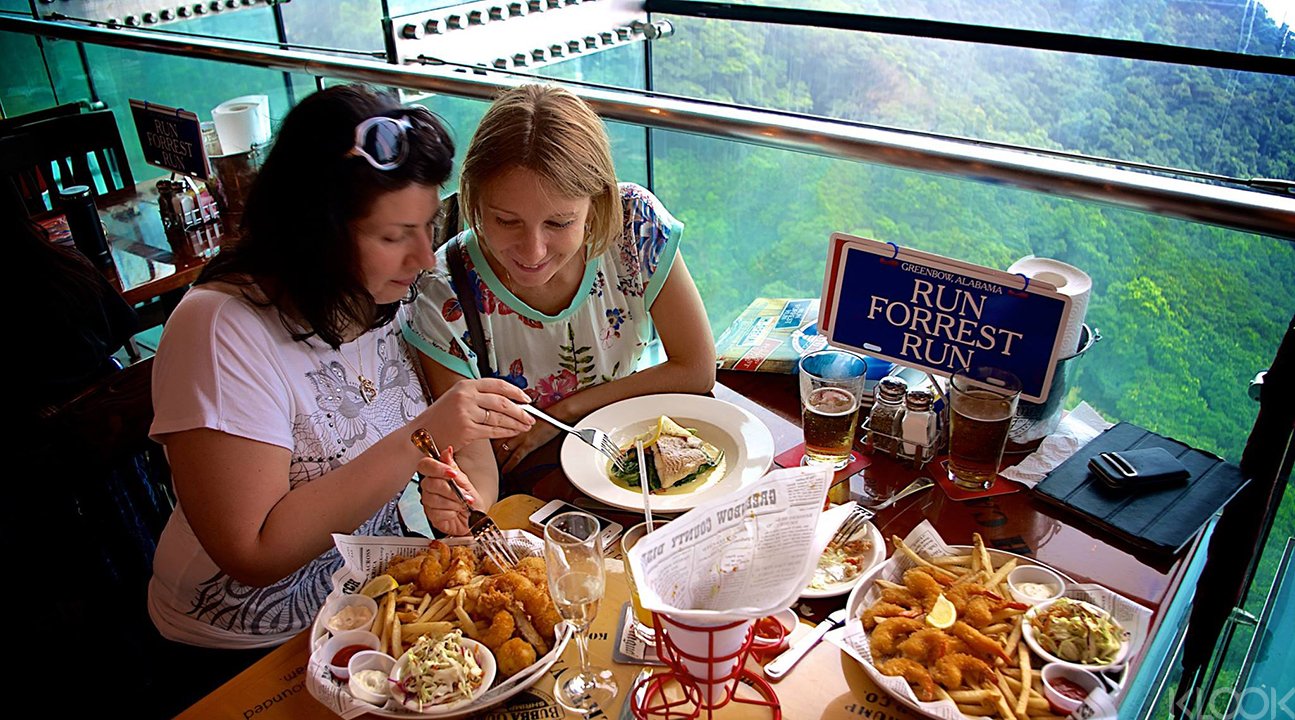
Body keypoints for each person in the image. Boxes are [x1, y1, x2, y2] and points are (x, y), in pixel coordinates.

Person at [145, 84, 535, 674]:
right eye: (392, 235)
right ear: (316, 232)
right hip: (240, 652)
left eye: (428, 226)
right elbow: (252, 552)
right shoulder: (220, 331)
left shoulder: (390, 298)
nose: (424, 257)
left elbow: (434, 461)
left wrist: (444, 500)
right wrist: (415, 440)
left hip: (370, 615)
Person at [403, 84, 715, 499]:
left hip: (624, 457)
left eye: (559, 223)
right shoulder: (443, 295)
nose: (533, 251)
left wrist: (559, 415)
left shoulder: (634, 227)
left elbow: (696, 367)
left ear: (596, 204)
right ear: (475, 199)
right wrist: (463, 503)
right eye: (506, 221)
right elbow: (475, 462)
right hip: (531, 489)